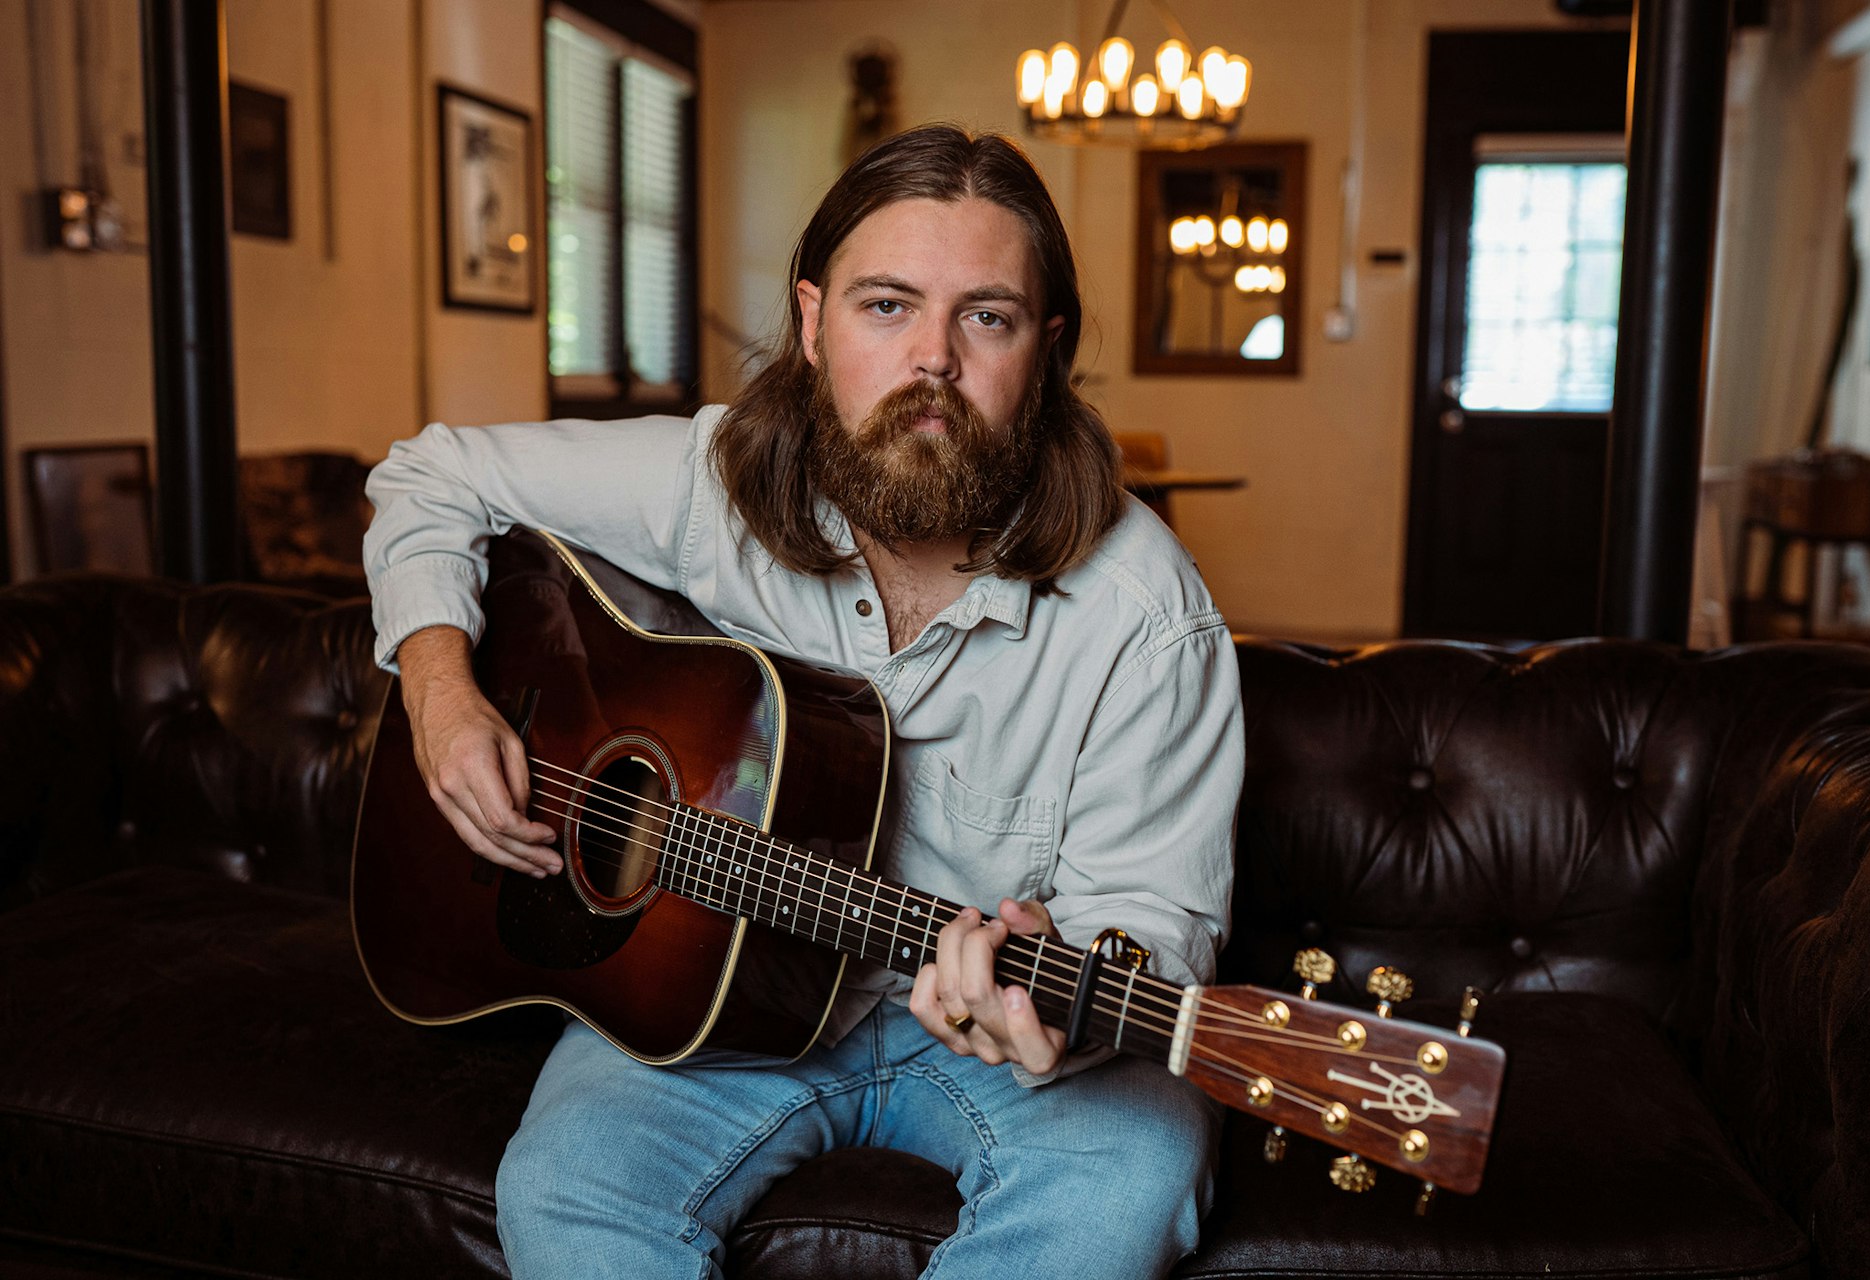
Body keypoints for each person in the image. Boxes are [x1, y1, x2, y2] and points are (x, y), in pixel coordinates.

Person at [363, 123, 1244, 1279]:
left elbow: (1154, 921)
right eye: (888, 305)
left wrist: (1063, 991)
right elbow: (432, 472)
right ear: (814, 321)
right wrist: (438, 690)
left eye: (987, 315)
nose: (934, 357)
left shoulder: (1145, 608)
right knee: (566, 1186)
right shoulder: (710, 478)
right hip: (713, 1000)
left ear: (1048, 348)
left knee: (1134, 1175)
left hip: (994, 1048)